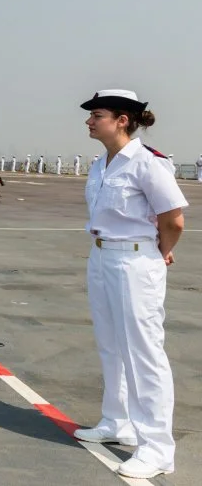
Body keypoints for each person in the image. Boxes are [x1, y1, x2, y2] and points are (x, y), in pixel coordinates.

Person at [74, 89, 187, 479]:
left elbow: (173, 220)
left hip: (136, 260)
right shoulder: (100, 164)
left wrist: (159, 252)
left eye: (98, 115)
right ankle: (115, 420)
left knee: (143, 352)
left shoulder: (148, 163)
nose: (89, 121)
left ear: (123, 119)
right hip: (102, 255)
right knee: (110, 344)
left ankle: (157, 448)